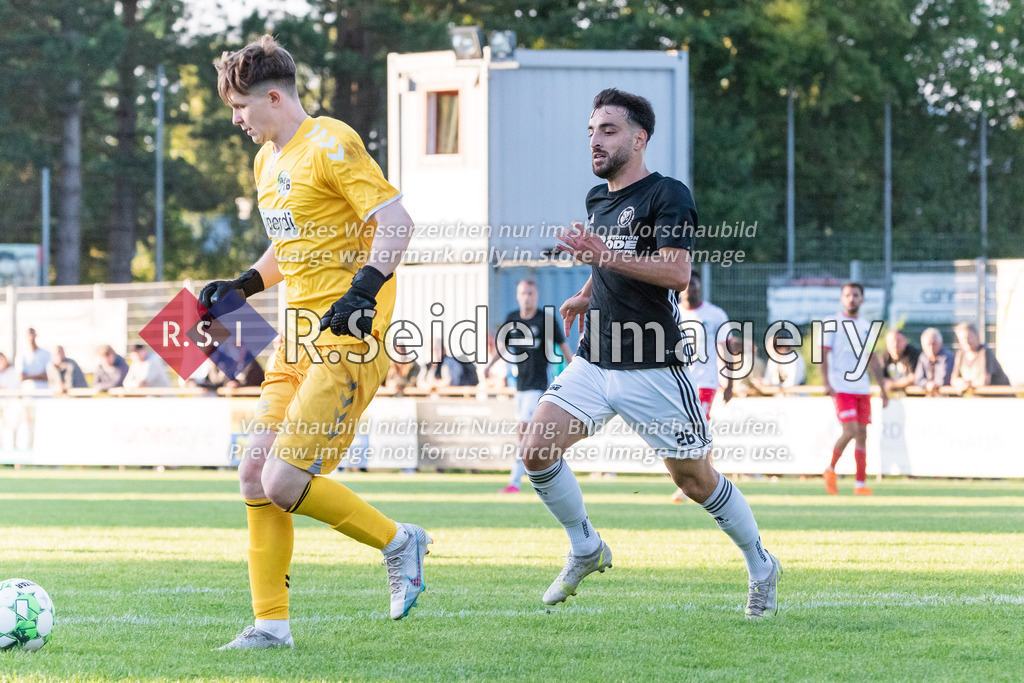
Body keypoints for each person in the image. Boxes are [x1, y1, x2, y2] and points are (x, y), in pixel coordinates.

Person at [521, 88, 779, 619]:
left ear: (639, 138)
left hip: (653, 366)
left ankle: (761, 565)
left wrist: (602, 258)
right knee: (535, 449)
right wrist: (586, 293)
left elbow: (676, 273)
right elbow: (611, 263)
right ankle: (586, 546)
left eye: (608, 130)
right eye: (591, 131)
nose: (595, 140)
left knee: (695, 480)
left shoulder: (668, 194)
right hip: (595, 361)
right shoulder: (598, 200)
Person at [207, 35, 429, 650]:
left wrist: (364, 290)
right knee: (254, 473)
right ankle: (271, 628)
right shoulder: (267, 162)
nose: (236, 120)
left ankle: (398, 542)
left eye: (241, 107)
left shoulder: (332, 142)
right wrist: (244, 285)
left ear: (274, 98)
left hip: (347, 339)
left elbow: (396, 223)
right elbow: (291, 246)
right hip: (296, 339)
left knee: (282, 481)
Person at [484, 279, 574, 494]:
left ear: (537, 296)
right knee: (536, 437)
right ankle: (548, 476)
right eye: (523, 293)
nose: (527, 297)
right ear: (518, 295)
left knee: (524, 434)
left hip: (539, 386)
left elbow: (564, 347)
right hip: (520, 388)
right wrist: (489, 365)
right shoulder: (512, 318)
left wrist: (574, 372)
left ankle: (515, 482)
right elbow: (503, 346)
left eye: (530, 293)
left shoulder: (545, 320)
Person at [820, 283, 889, 496]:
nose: (851, 299)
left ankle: (860, 484)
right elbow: (822, 354)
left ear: (862, 299)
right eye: (847, 295)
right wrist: (826, 382)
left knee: (862, 435)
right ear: (842, 299)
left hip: (862, 387)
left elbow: (872, 358)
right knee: (849, 430)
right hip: (841, 387)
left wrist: (883, 388)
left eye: (855, 295)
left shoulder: (866, 326)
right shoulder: (832, 322)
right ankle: (830, 469)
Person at [669, 272, 731, 503]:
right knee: (683, 431)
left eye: (692, 284)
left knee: (698, 427)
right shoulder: (671, 312)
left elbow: (726, 348)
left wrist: (730, 381)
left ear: (699, 286)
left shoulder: (715, 314)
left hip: (706, 381)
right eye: (685, 284)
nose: (689, 288)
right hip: (679, 381)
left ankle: (703, 480)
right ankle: (698, 478)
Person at [951, 322, 1009, 394]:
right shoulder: (960, 354)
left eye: (969, 338)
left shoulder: (985, 352)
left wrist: (967, 384)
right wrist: (960, 383)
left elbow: (984, 381)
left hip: (1000, 397)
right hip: (978, 398)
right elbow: (953, 380)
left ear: (977, 336)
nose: (966, 341)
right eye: (962, 339)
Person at [914, 328, 954, 396]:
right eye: (928, 344)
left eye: (933, 343)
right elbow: (917, 379)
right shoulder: (923, 357)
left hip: (947, 397)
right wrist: (927, 384)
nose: (931, 347)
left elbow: (944, 380)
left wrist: (933, 385)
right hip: (930, 397)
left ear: (940, 343)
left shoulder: (947, 357)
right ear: (922, 345)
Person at [880, 330, 920, 395]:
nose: (895, 344)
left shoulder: (912, 353)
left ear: (905, 341)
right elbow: (882, 379)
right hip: (894, 397)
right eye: (892, 341)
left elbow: (913, 378)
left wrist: (892, 384)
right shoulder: (885, 356)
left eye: (898, 341)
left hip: (914, 397)